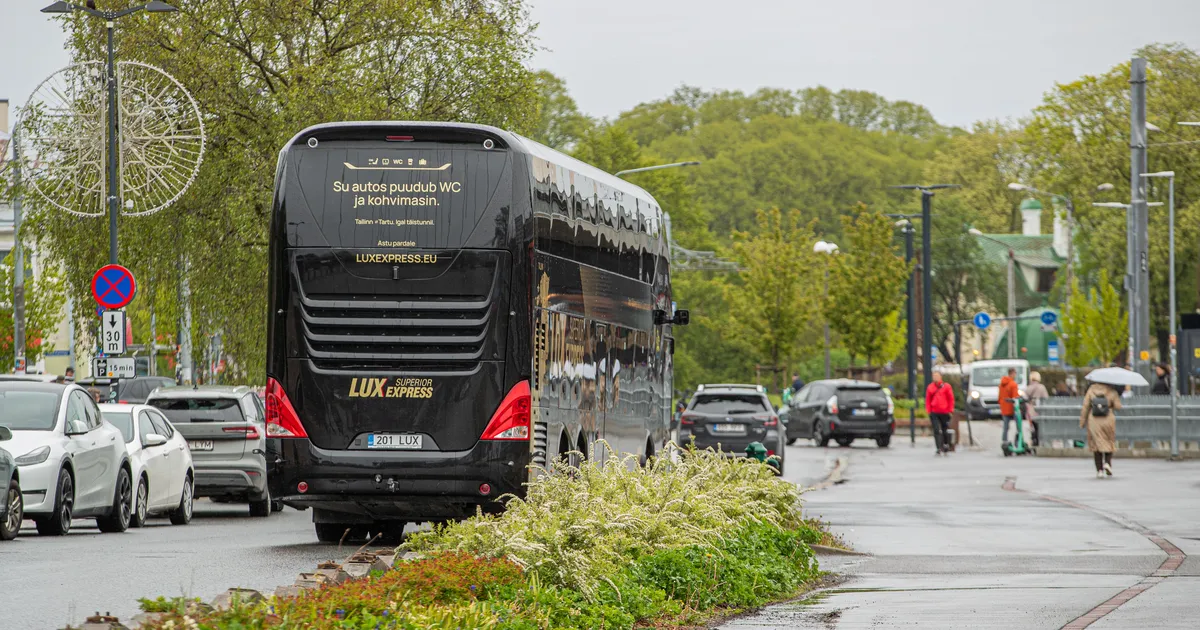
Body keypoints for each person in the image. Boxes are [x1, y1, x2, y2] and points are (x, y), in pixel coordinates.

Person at [1080, 381, 1122, 478]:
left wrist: (1082, 422)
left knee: (1096, 444)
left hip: (1094, 419)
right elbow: (1118, 406)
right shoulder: (1112, 391)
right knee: (1109, 441)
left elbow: (1085, 406)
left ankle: (1099, 470)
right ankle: (1107, 463)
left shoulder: (1091, 390)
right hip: (1108, 419)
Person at [925, 371, 955, 455]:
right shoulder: (930, 387)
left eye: (937, 376)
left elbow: (950, 398)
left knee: (944, 429)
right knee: (936, 429)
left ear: (940, 377)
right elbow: (928, 399)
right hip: (934, 411)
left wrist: (950, 410)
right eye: (934, 376)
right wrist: (929, 410)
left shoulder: (946, 386)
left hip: (944, 411)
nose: (935, 377)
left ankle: (945, 444)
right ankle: (938, 447)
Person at [1026, 371, 1050, 447]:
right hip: (1040, 411)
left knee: (1034, 427)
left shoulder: (1028, 388)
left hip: (1031, 411)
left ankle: (1034, 440)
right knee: (1040, 427)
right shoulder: (1042, 387)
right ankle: (1040, 441)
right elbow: (1046, 398)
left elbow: (1025, 399)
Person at [998, 367, 1020, 444]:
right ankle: (1018, 441)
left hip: (1004, 408)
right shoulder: (1013, 384)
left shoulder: (1001, 384)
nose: (1015, 375)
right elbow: (1015, 398)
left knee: (1005, 427)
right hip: (1013, 408)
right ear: (1012, 373)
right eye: (1015, 373)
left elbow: (999, 397)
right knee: (1018, 426)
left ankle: (1004, 441)